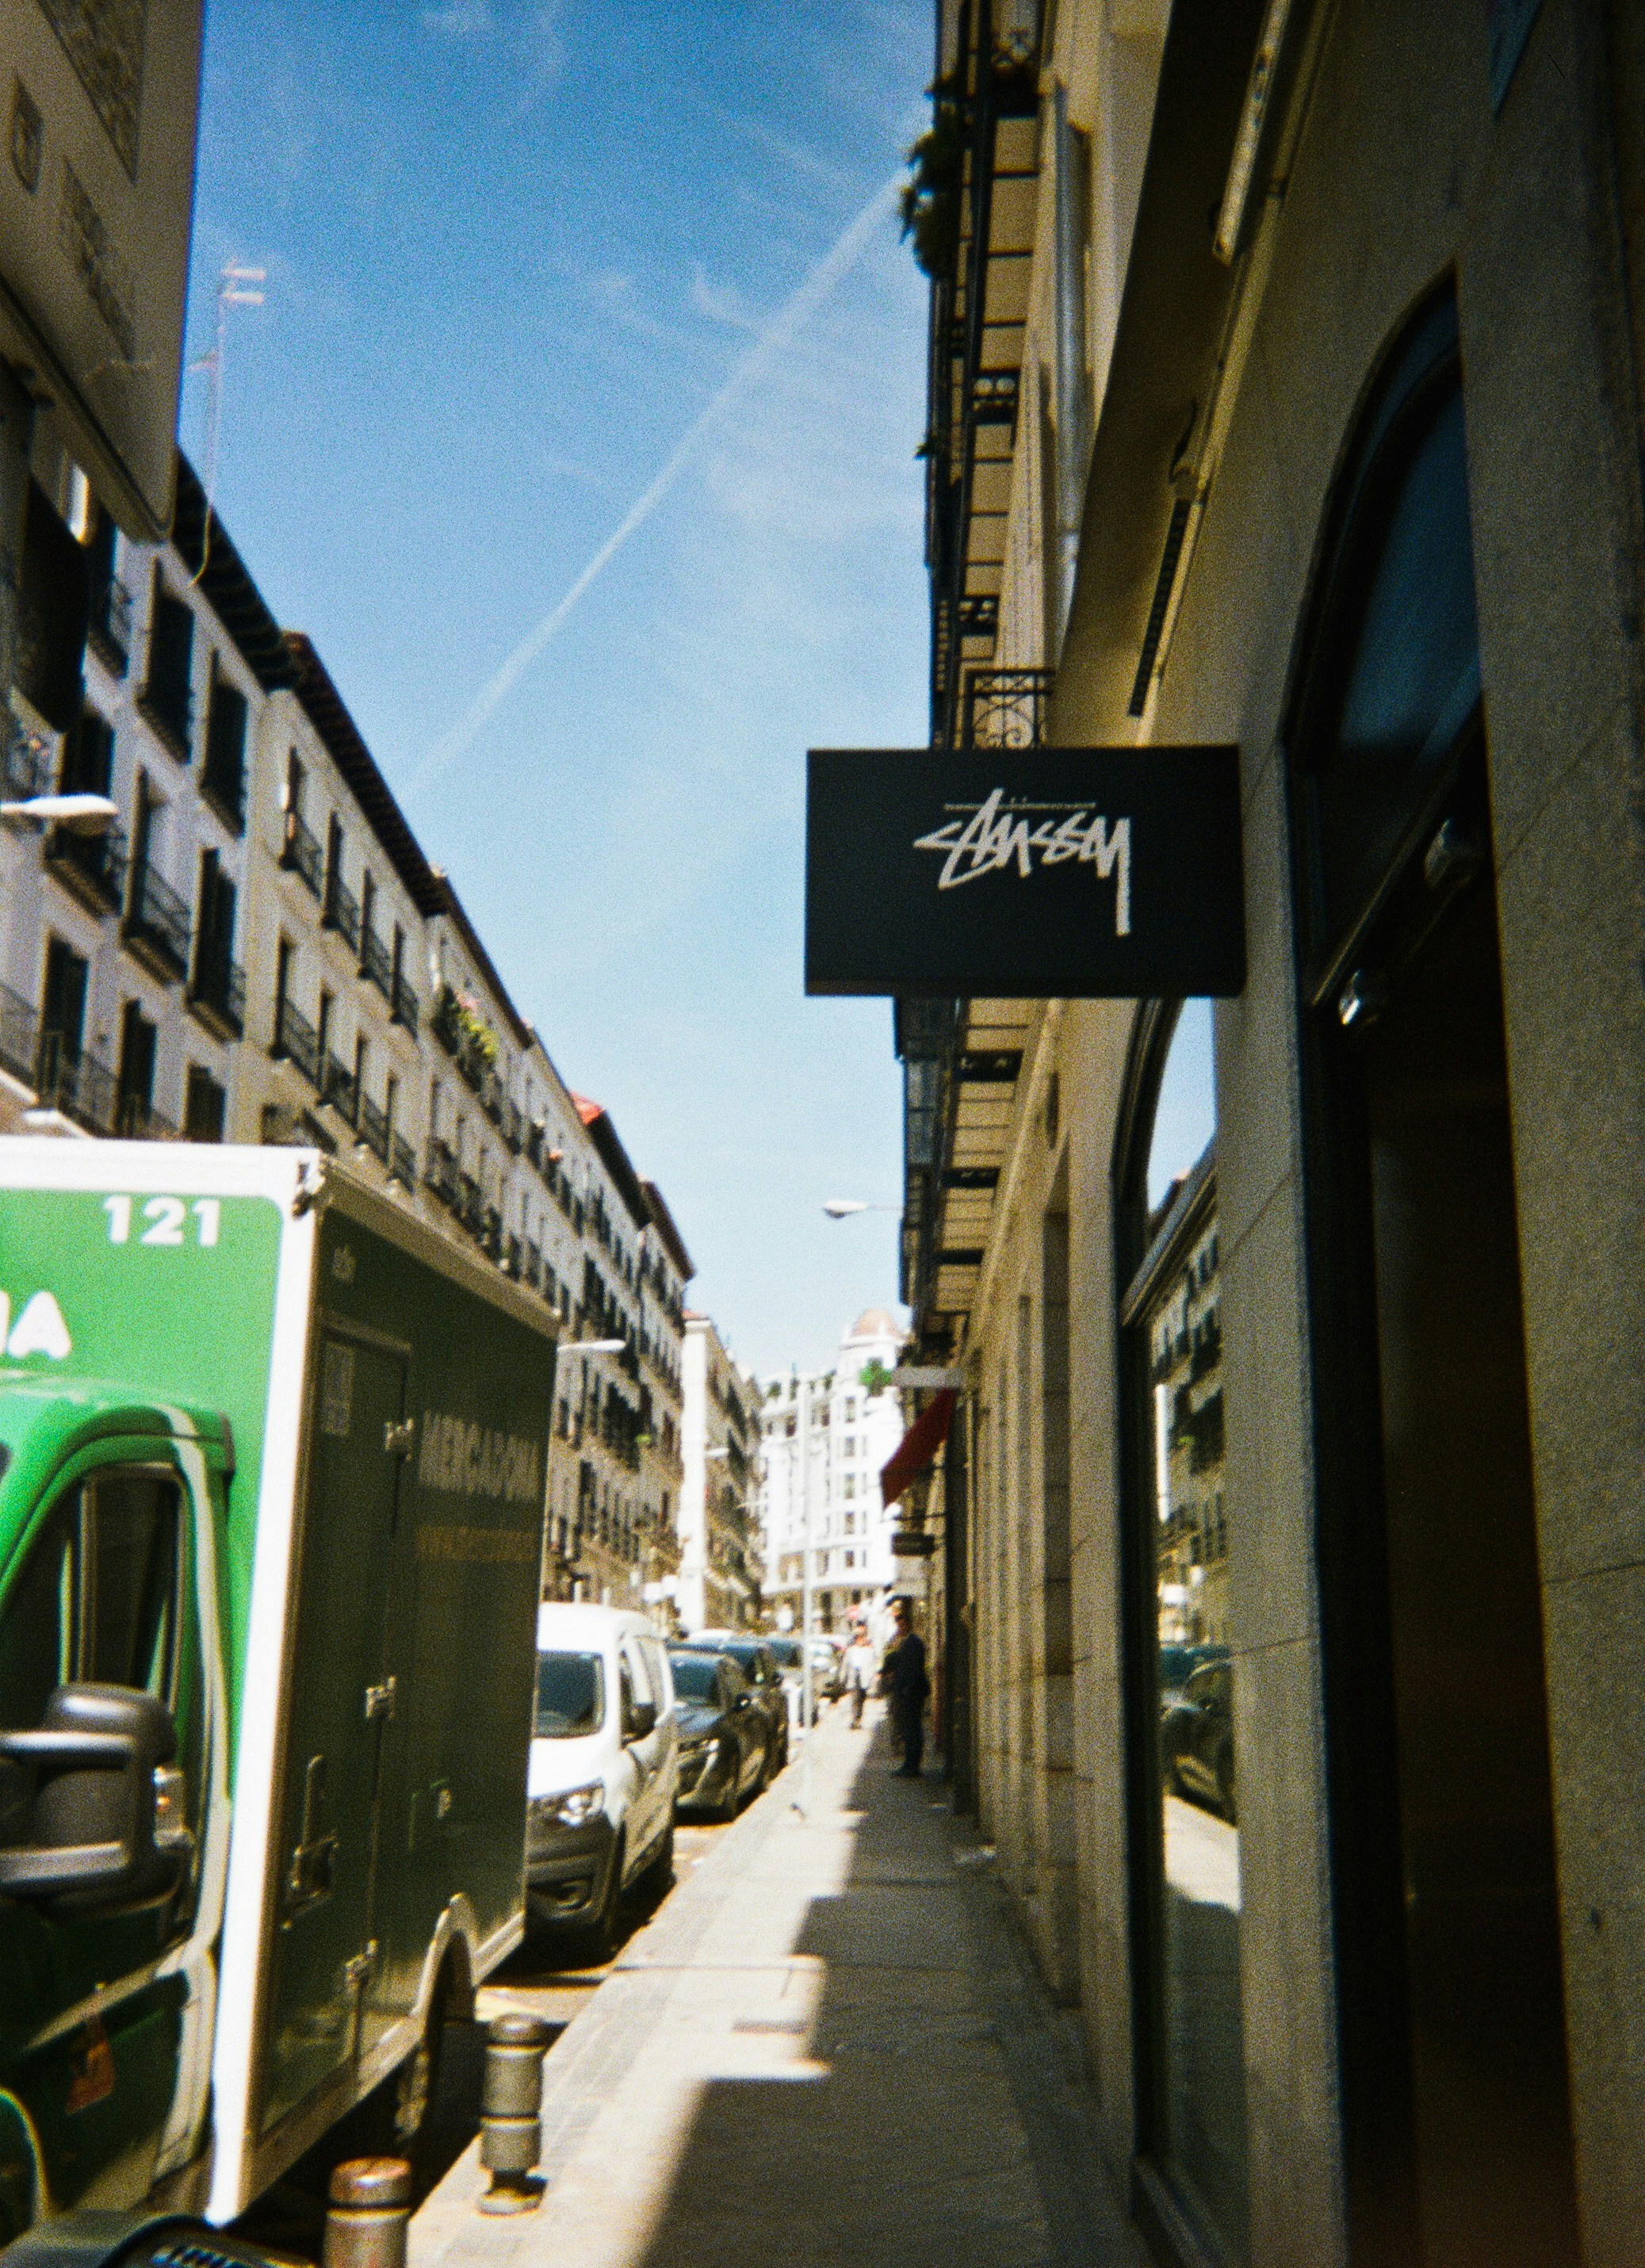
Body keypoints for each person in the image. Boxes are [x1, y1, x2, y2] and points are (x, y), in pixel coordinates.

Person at [884, 1599, 928, 1777]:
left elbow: (913, 1669)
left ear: (908, 1624)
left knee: (912, 1729)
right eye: (898, 1625)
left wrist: (907, 1690)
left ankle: (912, 1765)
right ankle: (909, 1763)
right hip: (905, 1691)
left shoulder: (913, 1642)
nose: (900, 1627)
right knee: (908, 1729)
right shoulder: (903, 1642)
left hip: (912, 1692)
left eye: (902, 1624)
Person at [843, 1625, 877, 1727]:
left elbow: (872, 1666)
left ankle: (858, 1718)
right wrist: (843, 1678)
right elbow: (845, 1665)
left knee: (861, 1699)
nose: (860, 1640)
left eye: (862, 1637)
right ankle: (854, 1720)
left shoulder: (869, 1651)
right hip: (854, 1676)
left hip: (864, 1678)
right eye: (857, 1637)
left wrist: (872, 1680)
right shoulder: (851, 1650)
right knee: (854, 1699)